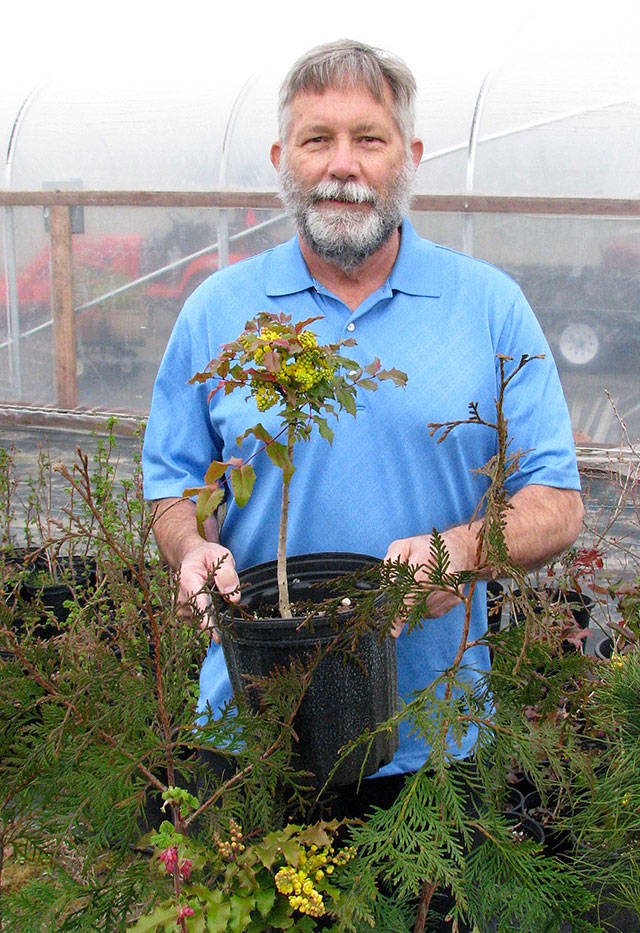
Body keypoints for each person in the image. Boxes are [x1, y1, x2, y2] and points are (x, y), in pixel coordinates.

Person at [142, 40, 583, 804]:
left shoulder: (487, 305)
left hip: (435, 739)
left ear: (407, 155)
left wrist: (462, 550)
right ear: (284, 157)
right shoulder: (217, 310)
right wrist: (190, 548)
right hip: (250, 732)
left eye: (368, 139)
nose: (342, 164)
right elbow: (172, 484)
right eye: (318, 139)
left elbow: (559, 501)